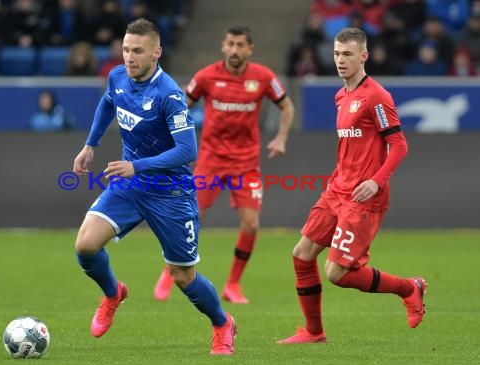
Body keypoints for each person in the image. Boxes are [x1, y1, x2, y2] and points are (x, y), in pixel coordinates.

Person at [72, 18, 237, 355]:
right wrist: (91, 144)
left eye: (137, 51)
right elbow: (108, 101)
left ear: (156, 53)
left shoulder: (170, 96)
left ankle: (222, 324)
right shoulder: (118, 76)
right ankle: (112, 293)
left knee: (182, 276)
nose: (129, 58)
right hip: (130, 186)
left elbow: (188, 151)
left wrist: (136, 165)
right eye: (126, 50)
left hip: (170, 193)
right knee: (86, 245)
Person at [277, 27, 426, 345]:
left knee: (337, 274)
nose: (340, 60)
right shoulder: (340, 96)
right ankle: (314, 333)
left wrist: (376, 181)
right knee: (302, 254)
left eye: (347, 54)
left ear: (364, 56)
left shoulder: (377, 96)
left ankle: (408, 288)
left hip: (364, 196)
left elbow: (399, 145)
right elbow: (352, 145)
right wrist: (338, 174)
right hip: (338, 189)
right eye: (336, 53)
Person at [153, 26, 295, 304]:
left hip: (245, 163)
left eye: (240, 45)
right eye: (230, 43)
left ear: (249, 49)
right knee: (192, 219)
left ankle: (232, 284)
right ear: (223, 46)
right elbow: (180, 108)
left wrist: (281, 138)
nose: (234, 50)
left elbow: (287, 106)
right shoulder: (206, 76)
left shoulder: (263, 77)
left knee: (252, 225)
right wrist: (179, 144)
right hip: (210, 160)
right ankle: (168, 271)